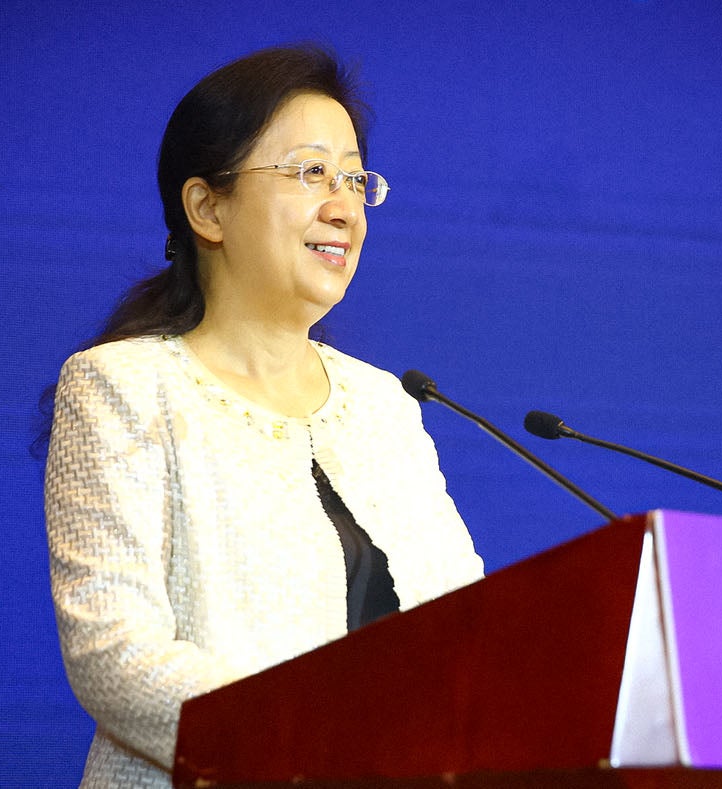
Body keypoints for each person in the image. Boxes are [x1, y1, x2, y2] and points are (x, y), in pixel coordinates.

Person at [42, 45, 484, 788]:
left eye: (353, 178)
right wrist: (319, 743)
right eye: (310, 172)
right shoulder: (122, 386)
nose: (342, 205)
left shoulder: (384, 405)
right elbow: (114, 655)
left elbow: (464, 628)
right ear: (207, 207)